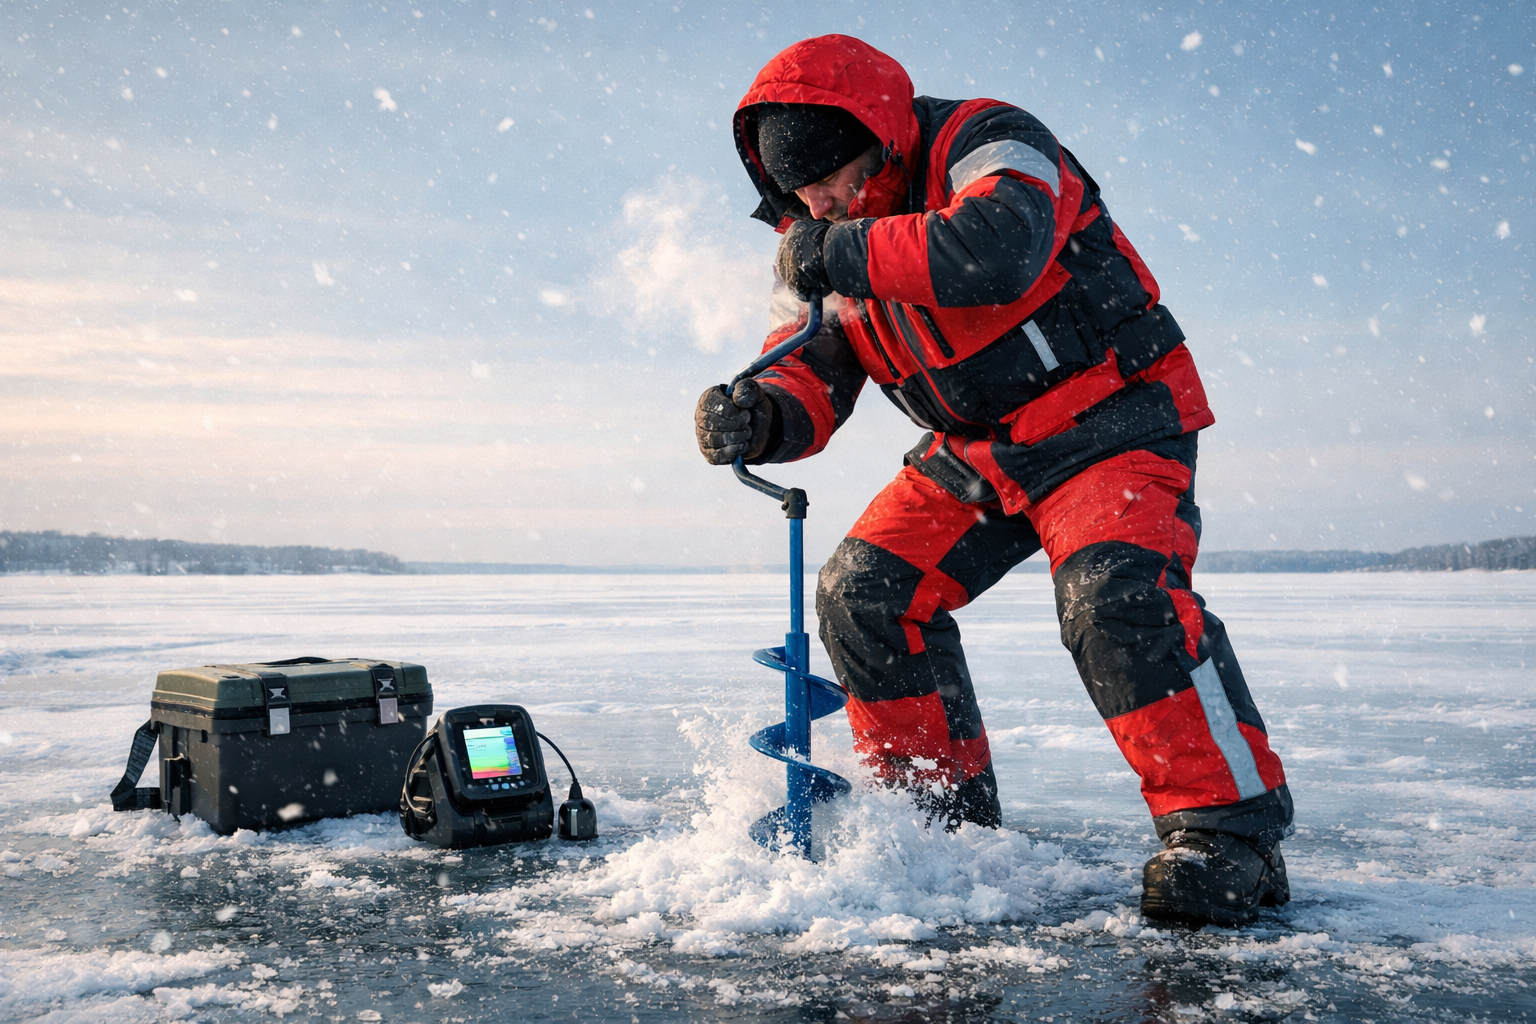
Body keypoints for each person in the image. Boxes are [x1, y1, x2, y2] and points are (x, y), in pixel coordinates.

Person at [694, 34, 1293, 927]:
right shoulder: (811, 245)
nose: (821, 203)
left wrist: (840, 253)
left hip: (1108, 415)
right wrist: (763, 413)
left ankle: (1228, 834)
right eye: (803, 193)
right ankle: (941, 826)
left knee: (1111, 594)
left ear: (883, 135)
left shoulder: (987, 137)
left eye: (835, 177)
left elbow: (995, 249)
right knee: (863, 592)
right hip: (975, 448)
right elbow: (810, 372)